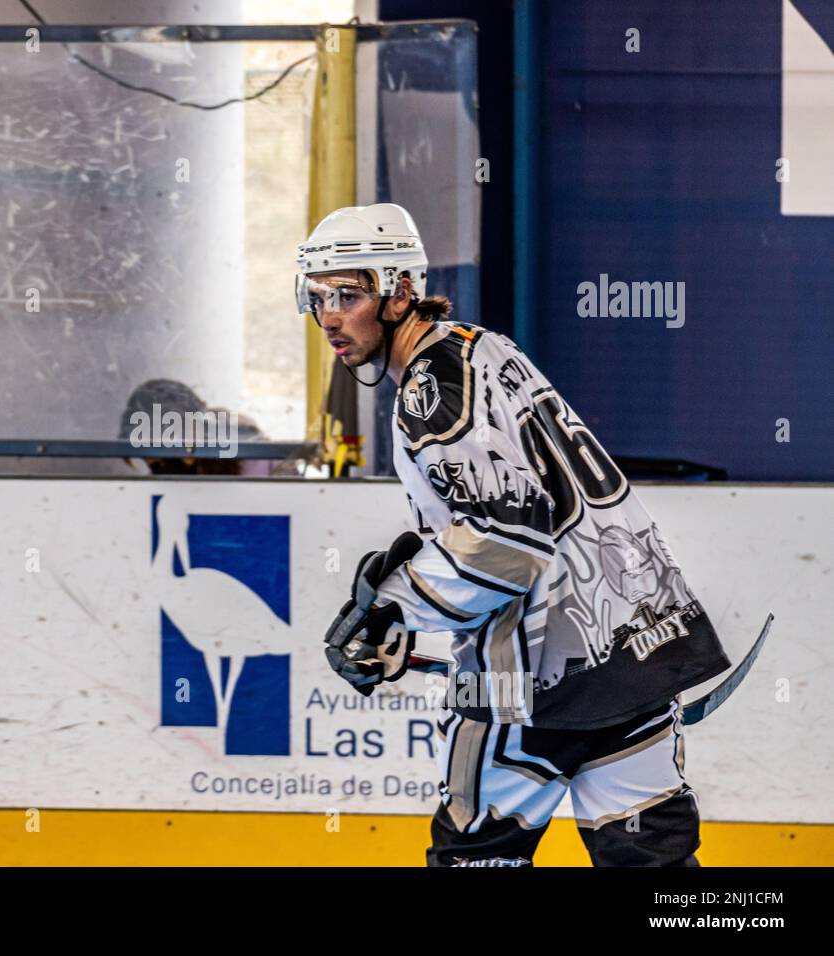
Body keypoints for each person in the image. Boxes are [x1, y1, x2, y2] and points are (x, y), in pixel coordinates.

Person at [300, 203, 731, 867]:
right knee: (655, 866)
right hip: (633, 650)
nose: (330, 314)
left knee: (479, 856)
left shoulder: (429, 390)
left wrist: (394, 609)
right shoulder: (483, 348)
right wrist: (407, 616)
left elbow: (510, 541)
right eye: (318, 295)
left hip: (535, 681)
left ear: (401, 291)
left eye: (349, 294)